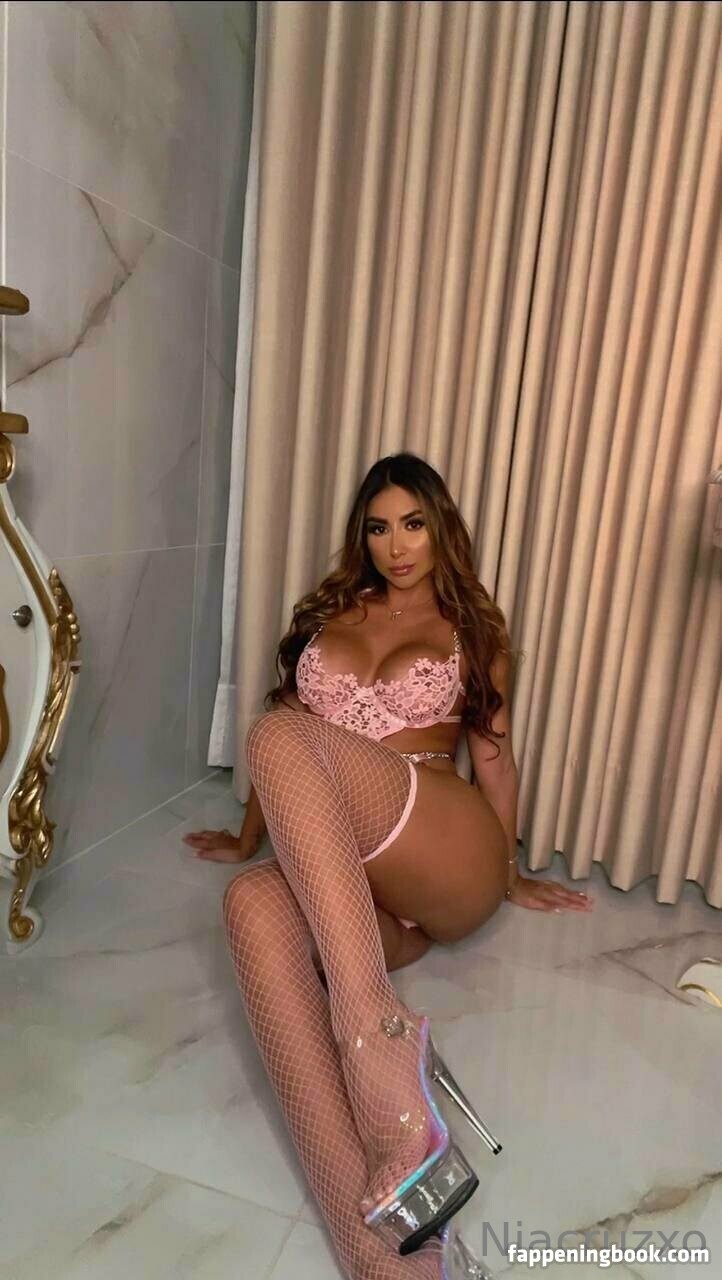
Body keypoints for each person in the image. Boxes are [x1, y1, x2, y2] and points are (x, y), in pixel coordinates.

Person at [183, 454, 593, 1279]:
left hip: (442, 846)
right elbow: (290, 757)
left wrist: (509, 873)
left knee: (276, 732)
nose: (397, 546)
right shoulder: (327, 617)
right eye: (379, 528)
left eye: (413, 525)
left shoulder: (473, 631)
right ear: (361, 536)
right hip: (355, 889)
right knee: (250, 905)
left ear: (440, 530)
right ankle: (379, 1247)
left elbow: (495, 762)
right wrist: (246, 837)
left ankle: (380, 1045)